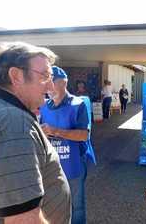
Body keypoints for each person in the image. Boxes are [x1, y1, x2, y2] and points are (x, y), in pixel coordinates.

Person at [0, 42, 71, 224]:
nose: (51, 86)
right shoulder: (11, 122)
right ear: (16, 76)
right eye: (45, 76)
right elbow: (23, 220)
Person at [40, 66, 93, 224]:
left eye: (52, 82)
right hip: (51, 165)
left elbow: (84, 135)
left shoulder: (78, 104)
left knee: (76, 206)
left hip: (74, 164)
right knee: (51, 204)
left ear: (64, 83)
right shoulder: (43, 106)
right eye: (45, 82)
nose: (48, 87)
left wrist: (56, 131)